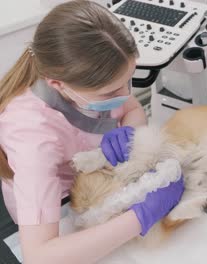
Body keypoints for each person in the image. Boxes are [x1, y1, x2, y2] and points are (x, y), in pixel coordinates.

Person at [0, 1, 184, 263]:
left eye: (127, 81)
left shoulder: (93, 83)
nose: (126, 95)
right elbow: (40, 255)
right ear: (57, 84)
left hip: (99, 177)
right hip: (61, 206)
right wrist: (140, 217)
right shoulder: (31, 135)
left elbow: (132, 110)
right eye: (110, 93)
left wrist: (130, 131)